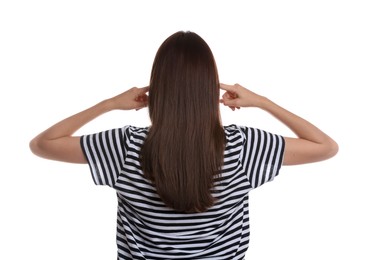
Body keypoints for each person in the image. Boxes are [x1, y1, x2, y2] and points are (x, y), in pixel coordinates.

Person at [29, 31, 338, 259]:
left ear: (159, 87)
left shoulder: (124, 148)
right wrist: (263, 102)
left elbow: (43, 144)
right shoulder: (243, 148)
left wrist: (109, 104)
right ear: (208, 87)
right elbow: (325, 146)